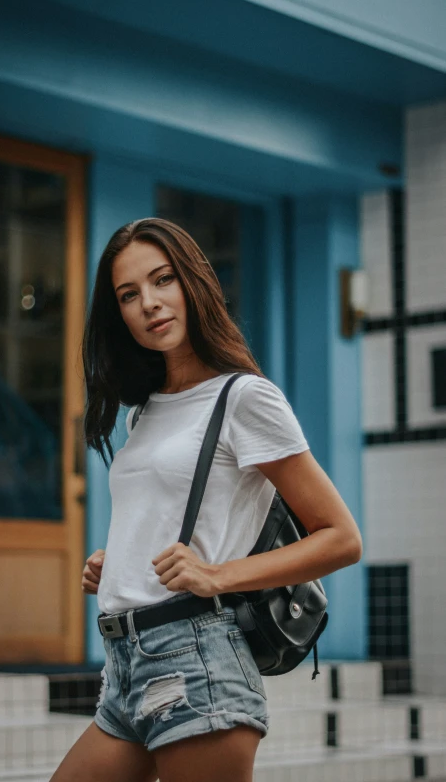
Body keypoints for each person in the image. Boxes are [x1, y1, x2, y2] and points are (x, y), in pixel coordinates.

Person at [50, 218, 362, 782]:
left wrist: (218, 575)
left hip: (196, 660)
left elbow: (341, 537)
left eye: (162, 280)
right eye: (128, 294)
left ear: (192, 282)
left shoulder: (244, 398)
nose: (149, 302)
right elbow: (173, 515)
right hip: (124, 665)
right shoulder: (142, 410)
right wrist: (119, 559)